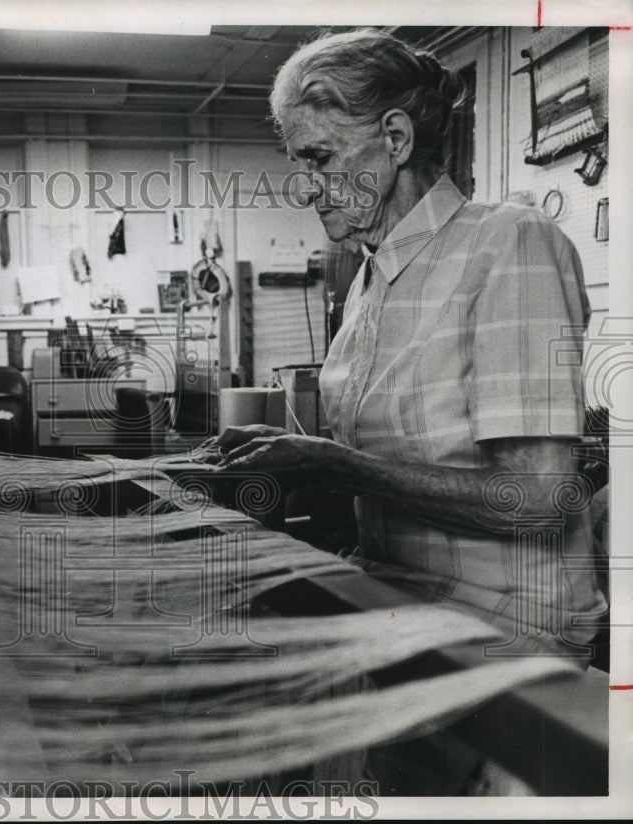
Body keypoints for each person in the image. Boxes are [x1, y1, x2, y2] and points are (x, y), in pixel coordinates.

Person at [212, 29, 607, 654]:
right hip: (402, 605)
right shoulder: (370, 280)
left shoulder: (509, 243)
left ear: (395, 139)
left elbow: (537, 497)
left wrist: (329, 463)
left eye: (320, 158)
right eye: (300, 165)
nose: (306, 188)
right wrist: (302, 456)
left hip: (507, 633)